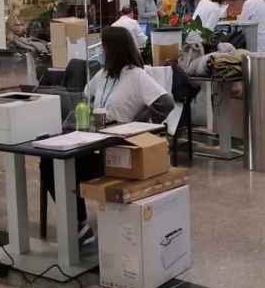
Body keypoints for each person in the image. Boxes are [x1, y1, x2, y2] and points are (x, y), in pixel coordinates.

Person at [47, 28, 173, 241]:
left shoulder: (136, 75)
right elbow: (85, 97)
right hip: (93, 140)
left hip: (117, 152)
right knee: (49, 162)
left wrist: (138, 123)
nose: (101, 51)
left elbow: (165, 102)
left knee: (63, 165)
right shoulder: (103, 74)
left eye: (103, 47)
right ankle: (78, 223)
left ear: (112, 49)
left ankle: (77, 224)